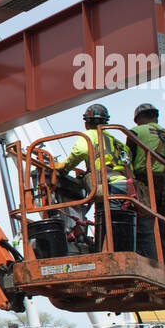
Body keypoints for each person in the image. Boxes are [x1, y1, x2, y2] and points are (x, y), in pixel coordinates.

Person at [55, 103, 133, 252]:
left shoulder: (89, 135)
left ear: (86, 122)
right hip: (127, 187)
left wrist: (64, 167)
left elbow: (80, 152)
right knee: (123, 224)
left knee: (107, 223)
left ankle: (108, 253)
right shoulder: (117, 142)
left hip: (110, 186)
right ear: (106, 122)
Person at [129, 102, 165, 265]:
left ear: (138, 119)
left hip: (147, 182)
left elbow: (128, 159)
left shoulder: (136, 131)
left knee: (145, 223)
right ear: (155, 117)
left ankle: (151, 259)